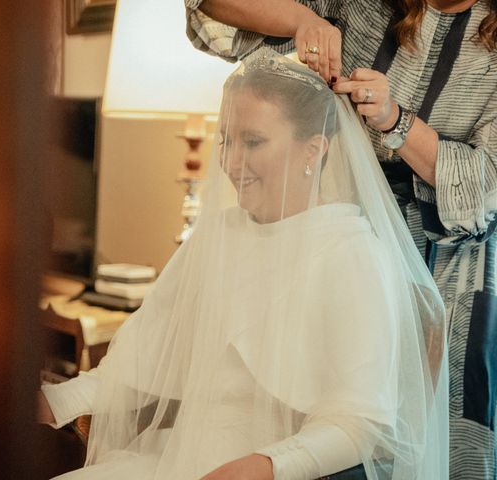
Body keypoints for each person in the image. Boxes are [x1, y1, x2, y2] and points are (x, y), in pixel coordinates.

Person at [38, 50, 448, 480]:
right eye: (226, 141)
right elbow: (139, 365)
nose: (232, 163)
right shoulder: (217, 237)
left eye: (252, 142)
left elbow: (360, 424)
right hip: (173, 462)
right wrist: (56, 401)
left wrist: (268, 466)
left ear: (314, 149)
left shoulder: (352, 255)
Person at [185, 1, 497, 478]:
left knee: (431, 446)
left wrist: (395, 121)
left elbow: (484, 191)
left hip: (450, 275)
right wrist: (300, 20)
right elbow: (208, 9)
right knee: (298, 421)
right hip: (332, 236)